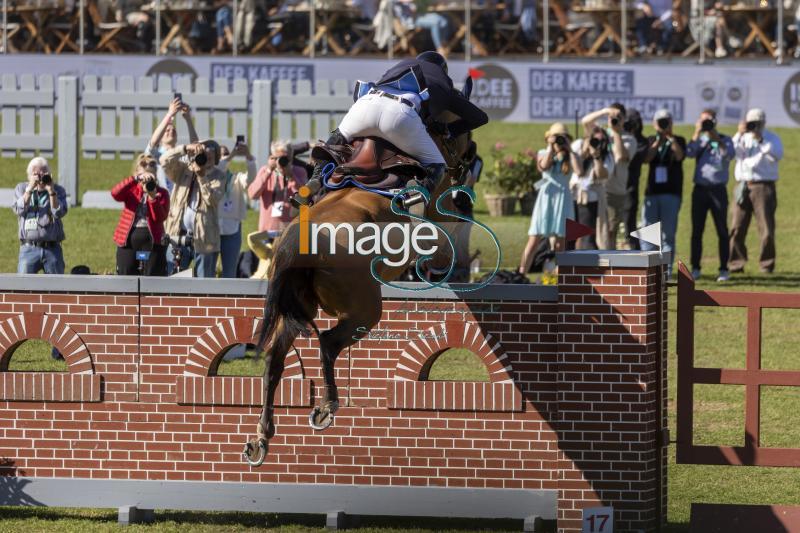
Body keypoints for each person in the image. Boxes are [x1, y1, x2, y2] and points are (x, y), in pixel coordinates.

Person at [298, 51, 488, 216]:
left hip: (365, 105)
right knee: (437, 165)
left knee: (334, 142)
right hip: (400, 115)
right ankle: (418, 195)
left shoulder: (401, 66)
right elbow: (480, 118)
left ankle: (314, 180)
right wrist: (449, 130)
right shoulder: (444, 83)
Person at [728, 108, 783, 274]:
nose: (754, 126)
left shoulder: (771, 138)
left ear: (763, 123)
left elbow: (777, 155)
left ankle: (766, 264)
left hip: (763, 186)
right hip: (742, 185)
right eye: (751, 123)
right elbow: (731, 153)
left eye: (757, 123)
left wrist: (760, 139)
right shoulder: (742, 138)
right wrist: (738, 133)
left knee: (766, 227)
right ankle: (735, 264)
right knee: (737, 226)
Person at [160, 140, 225, 277]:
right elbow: (164, 160)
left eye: (209, 156)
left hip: (204, 239)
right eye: (202, 155)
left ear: (216, 158)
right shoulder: (183, 170)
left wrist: (202, 176)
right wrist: (184, 148)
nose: (205, 159)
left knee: (204, 283)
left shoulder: (219, 176)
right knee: (173, 279)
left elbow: (211, 200)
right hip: (178, 235)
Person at [518, 123, 576, 275]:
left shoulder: (571, 157)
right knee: (534, 239)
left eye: (561, 138)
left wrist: (570, 149)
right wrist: (551, 147)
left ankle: (559, 277)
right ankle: (521, 273)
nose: (559, 142)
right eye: (556, 138)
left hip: (563, 199)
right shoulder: (544, 152)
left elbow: (580, 171)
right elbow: (543, 166)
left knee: (560, 242)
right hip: (546, 199)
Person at [686, 109, 734, 282]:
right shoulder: (699, 140)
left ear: (715, 122)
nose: (706, 124)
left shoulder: (725, 139)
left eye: (709, 121)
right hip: (700, 189)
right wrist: (697, 132)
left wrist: (716, 138)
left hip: (718, 190)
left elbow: (729, 155)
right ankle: (696, 267)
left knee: (722, 230)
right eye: (703, 120)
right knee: (697, 230)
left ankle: (723, 269)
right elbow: (689, 153)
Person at [580, 104, 636, 249]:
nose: (615, 119)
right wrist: (604, 111)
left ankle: (609, 263)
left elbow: (620, 156)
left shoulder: (629, 139)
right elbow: (585, 122)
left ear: (624, 119)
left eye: (619, 117)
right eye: (612, 117)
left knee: (610, 231)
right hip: (598, 188)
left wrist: (616, 132)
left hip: (615, 191)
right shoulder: (602, 134)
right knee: (590, 229)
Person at [640, 109, 686, 278]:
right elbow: (647, 159)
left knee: (668, 234)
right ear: (654, 124)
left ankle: (666, 271)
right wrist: (658, 141)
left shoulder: (679, 140)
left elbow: (680, 156)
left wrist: (670, 138)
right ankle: (648, 270)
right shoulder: (651, 140)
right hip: (652, 193)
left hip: (671, 194)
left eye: (666, 121)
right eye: (661, 122)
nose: (664, 125)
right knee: (648, 232)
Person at [111, 154, 170, 276]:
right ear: (137, 169)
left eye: (152, 164)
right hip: (128, 239)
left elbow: (160, 218)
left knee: (153, 276)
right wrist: (135, 179)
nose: (148, 166)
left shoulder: (162, 193)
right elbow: (115, 193)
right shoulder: (131, 189)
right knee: (126, 274)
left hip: (153, 240)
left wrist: (153, 197)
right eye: (143, 164)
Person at [13, 156, 68, 275]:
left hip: (52, 248)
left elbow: (59, 213)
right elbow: (18, 209)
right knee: (24, 288)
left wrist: (51, 191)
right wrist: (30, 188)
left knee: (56, 288)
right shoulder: (21, 188)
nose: (41, 177)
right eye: (37, 174)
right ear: (29, 175)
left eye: (44, 173)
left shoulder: (58, 190)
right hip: (28, 248)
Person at [217, 141, 257, 278]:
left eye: (226, 154)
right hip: (212, 228)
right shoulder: (211, 176)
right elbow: (219, 168)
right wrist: (231, 155)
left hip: (232, 228)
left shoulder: (236, 178)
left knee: (229, 271)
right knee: (209, 270)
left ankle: (228, 298)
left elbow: (251, 177)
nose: (224, 157)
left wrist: (248, 156)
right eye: (220, 155)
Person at [249, 140, 308, 234]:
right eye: (279, 158)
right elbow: (253, 195)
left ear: (291, 157)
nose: (282, 162)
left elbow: (304, 199)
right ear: (273, 157)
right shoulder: (265, 171)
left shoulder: (299, 172)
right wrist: (268, 171)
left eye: (285, 158)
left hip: (291, 231)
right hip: (268, 230)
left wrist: (291, 176)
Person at [570, 127, 611, 250]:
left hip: (591, 199)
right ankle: (570, 265)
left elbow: (602, 175)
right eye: (594, 140)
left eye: (601, 140)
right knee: (571, 236)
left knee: (587, 236)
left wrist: (596, 157)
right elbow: (578, 171)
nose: (597, 143)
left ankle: (589, 266)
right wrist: (584, 150)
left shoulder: (607, 157)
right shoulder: (578, 146)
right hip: (573, 195)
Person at [146, 98, 199, 192]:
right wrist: (170, 114)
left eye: (173, 130)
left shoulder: (183, 154)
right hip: (161, 201)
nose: (171, 131)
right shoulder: (156, 154)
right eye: (167, 130)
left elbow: (196, 148)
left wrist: (188, 119)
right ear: (160, 138)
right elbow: (153, 142)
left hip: (179, 202)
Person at [624, 109, 649, 249]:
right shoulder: (617, 138)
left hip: (630, 189)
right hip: (613, 188)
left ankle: (633, 256)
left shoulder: (642, 142)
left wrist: (630, 136)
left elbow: (630, 158)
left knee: (630, 226)